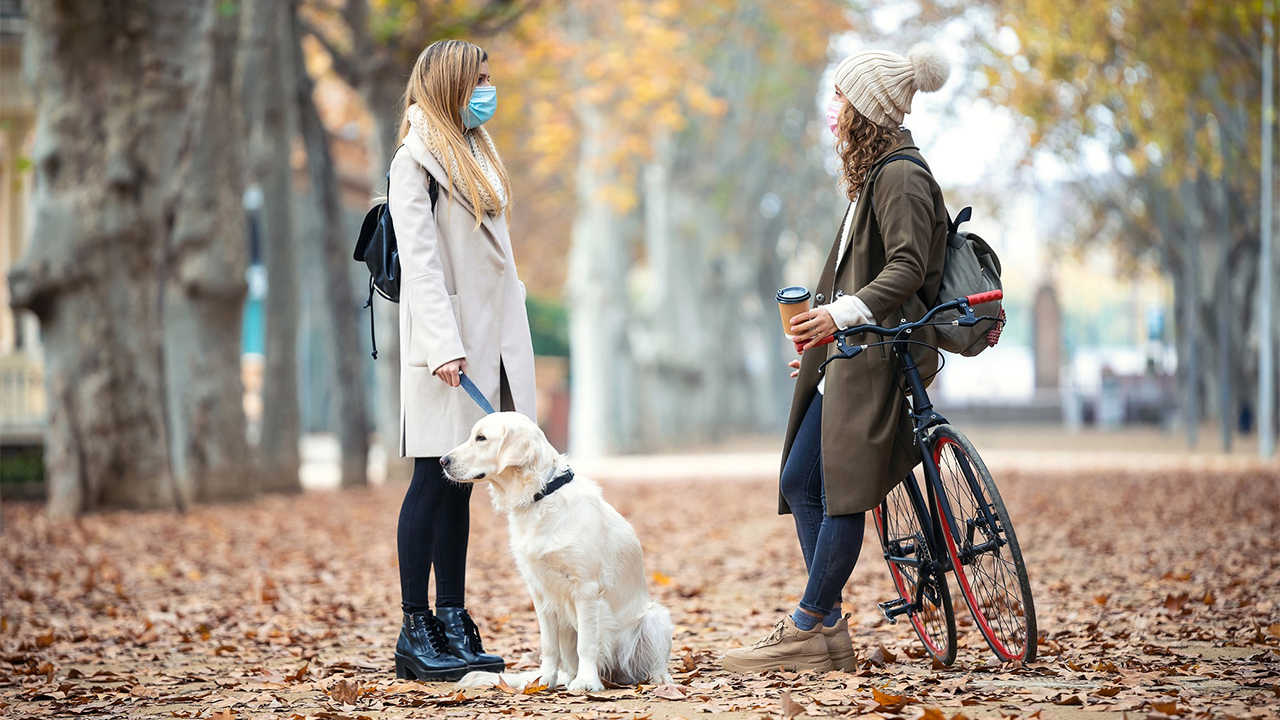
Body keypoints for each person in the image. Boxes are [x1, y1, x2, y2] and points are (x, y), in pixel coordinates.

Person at [721, 44, 952, 673]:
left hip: (881, 349)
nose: (833, 109)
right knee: (801, 480)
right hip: (855, 349)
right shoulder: (877, 173)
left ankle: (808, 625)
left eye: (842, 97)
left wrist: (840, 316)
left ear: (867, 109)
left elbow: (905, 267)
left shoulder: (901, 174)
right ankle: (824, 622)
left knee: (843, 492)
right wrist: (827, 338)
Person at [388, 39, 537, 682]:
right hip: (447, 346)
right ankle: (414, 628)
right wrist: (444, 345)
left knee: (462, 487)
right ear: (451, 84)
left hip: (491, 340)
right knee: (430, 481)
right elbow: (421, 264)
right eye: (478, 78)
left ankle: (453, 618)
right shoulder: (414, 161)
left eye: (489, 76)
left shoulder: (476, 152)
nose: (488, 87)